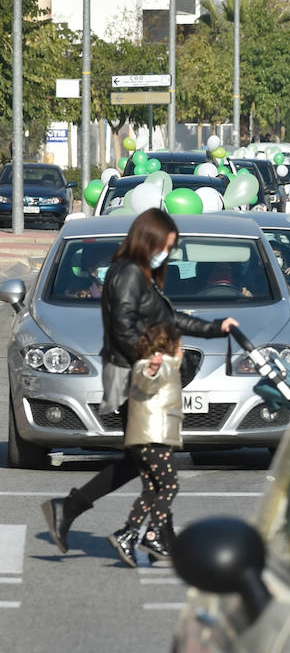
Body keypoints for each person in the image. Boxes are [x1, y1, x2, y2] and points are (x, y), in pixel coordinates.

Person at [41, 208, 238, 555]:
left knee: (143, 462)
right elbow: (123, 326)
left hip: (140, 374)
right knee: (157, 464)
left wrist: (214, 327)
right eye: (166, 246)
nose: (168, 254)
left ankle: (99, 517)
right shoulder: (129, 273)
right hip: (136, 379)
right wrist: (148, 359)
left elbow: (168, 319)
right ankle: (140, 532)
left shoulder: (140, 274)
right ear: (150, 240)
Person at [108, 323, 185, 566]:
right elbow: (147, 380)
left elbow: (173, 367)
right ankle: (152, 534)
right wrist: (152, 369)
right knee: (170, 485)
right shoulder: (148, 365)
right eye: (178, 344)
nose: (181, 348)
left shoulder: (168, 365)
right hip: (153, 438)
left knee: (152, 490)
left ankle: (128, 534)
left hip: (148, 438)